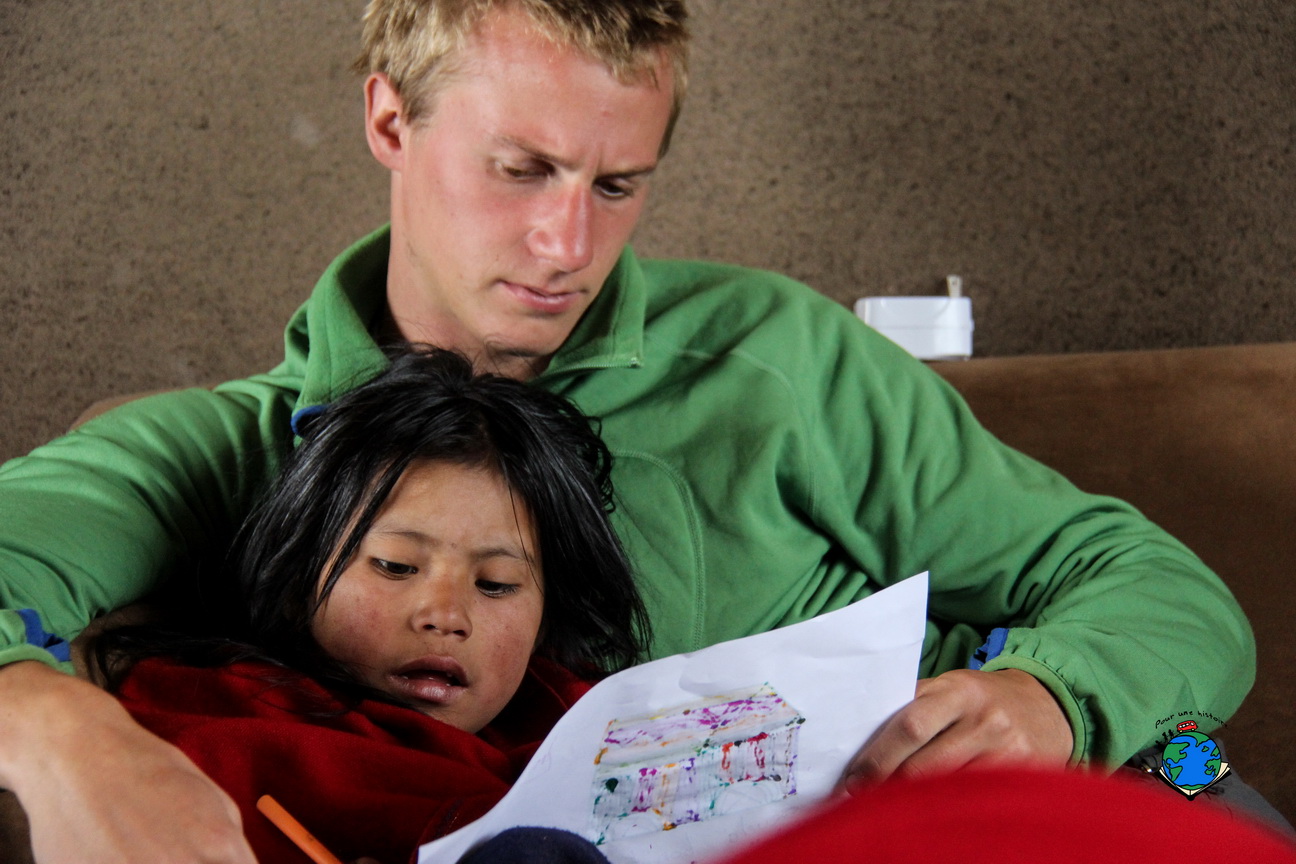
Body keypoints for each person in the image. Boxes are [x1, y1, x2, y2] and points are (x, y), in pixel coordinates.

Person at [0, 1, 1255, 862]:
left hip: (1010, 813)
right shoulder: (225, 451)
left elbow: (1163, 592)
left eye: (616, 186)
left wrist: (1054, 699)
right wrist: (53, 729)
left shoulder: (777, 356)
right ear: (390, 121)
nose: (568, 247)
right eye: (520, 169)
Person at [93, 345, 644, 863]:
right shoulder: (209, 735)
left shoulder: (606, 733)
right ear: (297, 581)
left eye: (496, 584)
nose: (446, 617)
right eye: (396, 566)